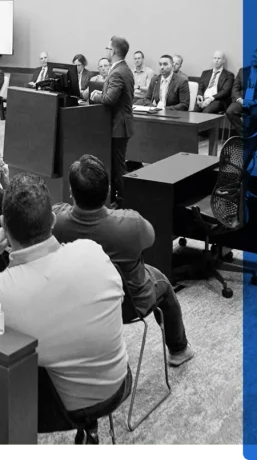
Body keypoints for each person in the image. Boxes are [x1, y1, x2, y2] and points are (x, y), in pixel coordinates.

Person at [0, 174, 131, 445]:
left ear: (3, 228)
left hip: (55, 410)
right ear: (53, 221)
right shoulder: (93, 251)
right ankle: (90, 431)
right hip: (118, 384)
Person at [52, 155, 194, 366]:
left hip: (75, 303)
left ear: (71, 192)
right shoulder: (131, 223)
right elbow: (150, 239)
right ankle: (179, 350)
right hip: (127, 306)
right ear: (108, 190)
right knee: (162, 282)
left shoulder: (55, 219)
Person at [88, 36, 135, 208]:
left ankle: (125, 201)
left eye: (108, 48)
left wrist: (95, 96)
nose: (106, 51)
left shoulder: (117, 72)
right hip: (120, 125)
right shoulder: (125, 69)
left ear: (114, 51)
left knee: (118, 167)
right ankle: (116, 200)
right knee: (116, 166)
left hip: (118, 126)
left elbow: (109, 99)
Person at [226, 48, 257, 137]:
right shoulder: (242, 71)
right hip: (242, 100)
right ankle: (245, 135)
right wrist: (240, 100)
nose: (255, 59)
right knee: (230, 111)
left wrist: (254, 102)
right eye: (254, 56)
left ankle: (249, 136)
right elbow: (235, 88)